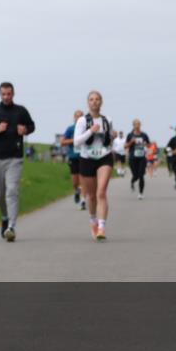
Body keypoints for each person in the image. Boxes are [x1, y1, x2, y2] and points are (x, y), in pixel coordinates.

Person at [0, 82, 36, 242]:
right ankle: (4, 217)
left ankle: (11, 226)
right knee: (0, 195)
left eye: (9, 94)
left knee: (12, 191)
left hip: (15, 157)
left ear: (13, 94)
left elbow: (32, 125)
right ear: (0, 94)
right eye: (3, 94)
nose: (6, 96)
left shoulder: (21, 111)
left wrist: (25, 130)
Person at [73, 91, 114, 241]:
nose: (94, 102)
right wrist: (91, 131)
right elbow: (76, 141)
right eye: (91, 99)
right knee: (91, 196)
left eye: (97, 99)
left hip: (104, 157)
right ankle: (93, 220)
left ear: (101, 102)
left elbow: (108, 141)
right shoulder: (82, 121)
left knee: (101, 192)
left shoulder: (107, 120)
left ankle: (102, 226)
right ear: (88, 103)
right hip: (87, 158)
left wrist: (111, 137)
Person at [61, 110, 86, 210]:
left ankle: (83, 201)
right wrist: (74, 140)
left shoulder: (86, 129)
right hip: (73, 157)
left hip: (84, 157)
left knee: (83, 180)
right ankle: (77, 191)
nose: (79, 118)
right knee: (75, 182)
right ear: (74, 118)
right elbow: (62, 142)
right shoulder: (70, 129)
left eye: (81, 116)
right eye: (77, 116)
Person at [125, 119, 151, 199]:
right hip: (132, 157)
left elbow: (149, 145)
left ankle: (141, 193)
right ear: (133, 125)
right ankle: (132, 182)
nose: (137, 125)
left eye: (138, 124)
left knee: (141, 175)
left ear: (140, 125)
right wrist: (131, 142)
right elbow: (125, 146)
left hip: (142, 158)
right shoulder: (130, 135)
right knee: (135, 175)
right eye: (135, 124)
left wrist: (146, 144)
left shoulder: (144, 135)